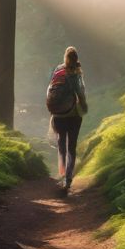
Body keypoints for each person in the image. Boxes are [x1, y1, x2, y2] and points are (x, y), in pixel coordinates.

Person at [49, 46, 88, 195]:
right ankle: (68, 179)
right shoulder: (76, 72)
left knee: (61, 146)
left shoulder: (58, 69)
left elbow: (50, 89)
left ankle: (62, 174)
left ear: (65, 57)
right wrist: (83, 105)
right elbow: (80, 91)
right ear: (76, 58)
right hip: (73, 115)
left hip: (58, 114)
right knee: (71, 147)